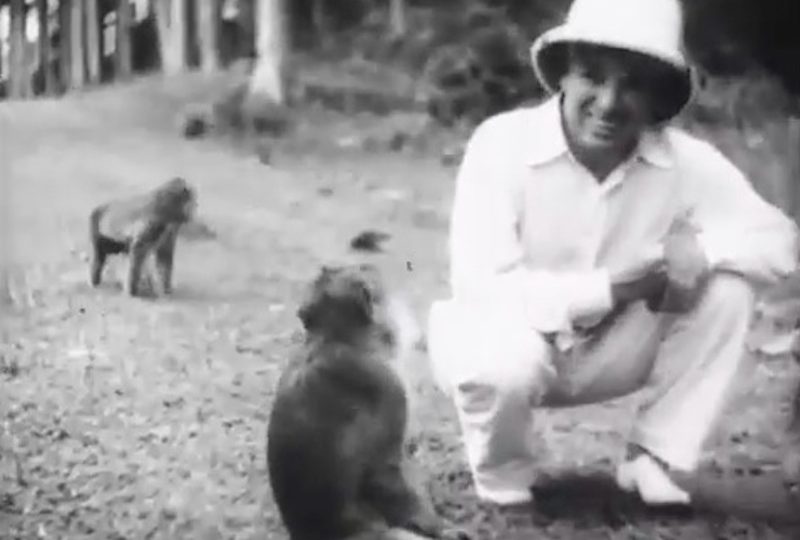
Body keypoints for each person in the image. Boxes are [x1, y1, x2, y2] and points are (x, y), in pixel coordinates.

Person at [426, 0, 799, 520]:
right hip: (503, 344)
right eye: (592, 78)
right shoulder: (502, 144)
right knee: (502, 360)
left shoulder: (684, 163)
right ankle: (503, 479)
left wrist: (701, 250)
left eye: (633, 84)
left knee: (728, 285)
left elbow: (781, 241)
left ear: (659, 98)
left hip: (610, 350)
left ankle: (655, 456)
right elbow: (485, 291)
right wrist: (615, 287)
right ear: (563, 76)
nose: (609, 102)